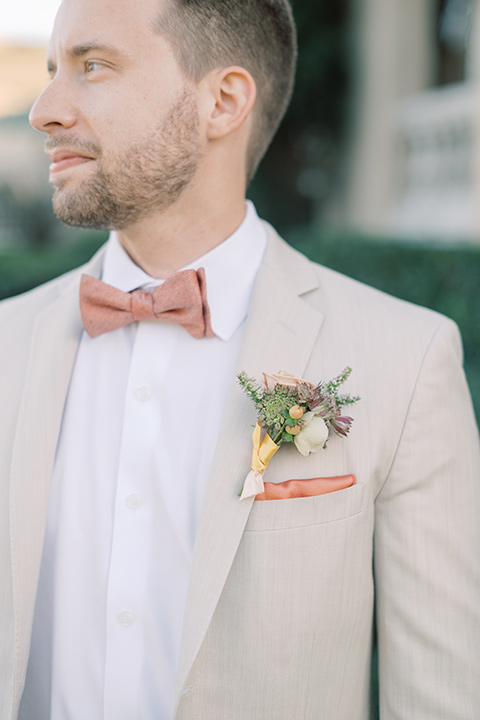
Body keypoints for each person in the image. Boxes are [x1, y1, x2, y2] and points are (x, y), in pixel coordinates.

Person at [1, 0, 479, 717]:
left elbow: (441, 694)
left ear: (222, 101)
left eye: (91, 66)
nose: (44, 110)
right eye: (49, 71)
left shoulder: (404, 359)